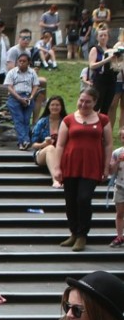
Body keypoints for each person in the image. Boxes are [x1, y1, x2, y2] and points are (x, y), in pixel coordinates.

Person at [53, 88, 112, 252]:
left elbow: (108, 144)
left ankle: (82, 235)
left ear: (94, 103)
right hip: (71, 164)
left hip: (92, 165)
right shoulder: (68, 119)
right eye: (81, 100)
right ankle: (73, 232)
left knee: (84, 198)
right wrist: (57, 167)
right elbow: (60, 144)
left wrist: (106, 166)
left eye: (88, 102)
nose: (83, 104)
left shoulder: (103, 120)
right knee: (70, 200)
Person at [4, 52, 41, 150]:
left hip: (28, 97)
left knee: (26, 120)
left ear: (28, 62)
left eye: (24, 61)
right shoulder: (12, 72)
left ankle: (22, 143)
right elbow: (9, 87)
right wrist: (19, 98)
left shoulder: (32, 72)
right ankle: (26, 140)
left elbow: (36, 85)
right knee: (19, 119)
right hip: (15, 97)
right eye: (19, 61)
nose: (21, 63)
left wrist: (32, 96)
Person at [30, 95, 66, 188]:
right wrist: (44, 144)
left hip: (61, 154)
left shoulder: (66, 122)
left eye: (57, 105)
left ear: (61, 107)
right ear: (48, 107)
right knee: (50, 148)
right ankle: (56, 180)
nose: (55, 107)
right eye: (52, 105)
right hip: (42, 153)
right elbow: (34, 144)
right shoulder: (42, 122)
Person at [87, 28, 117, 116]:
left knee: (106, 106)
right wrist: (106, 60)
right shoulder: (95, 49)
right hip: (100, 79)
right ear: (97, 37)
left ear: (108, 37)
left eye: (105, 35)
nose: (103, 37)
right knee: (96, 105)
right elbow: (92, 65)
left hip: (111, 79)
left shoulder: (112, 49)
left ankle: (102, 127)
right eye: (101, 35)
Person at [111, 145, 124, 248]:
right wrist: (117, 161)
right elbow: (112, 171)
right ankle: (120, 236)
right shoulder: (117, 152)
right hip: (120, 186)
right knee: (119, 213)